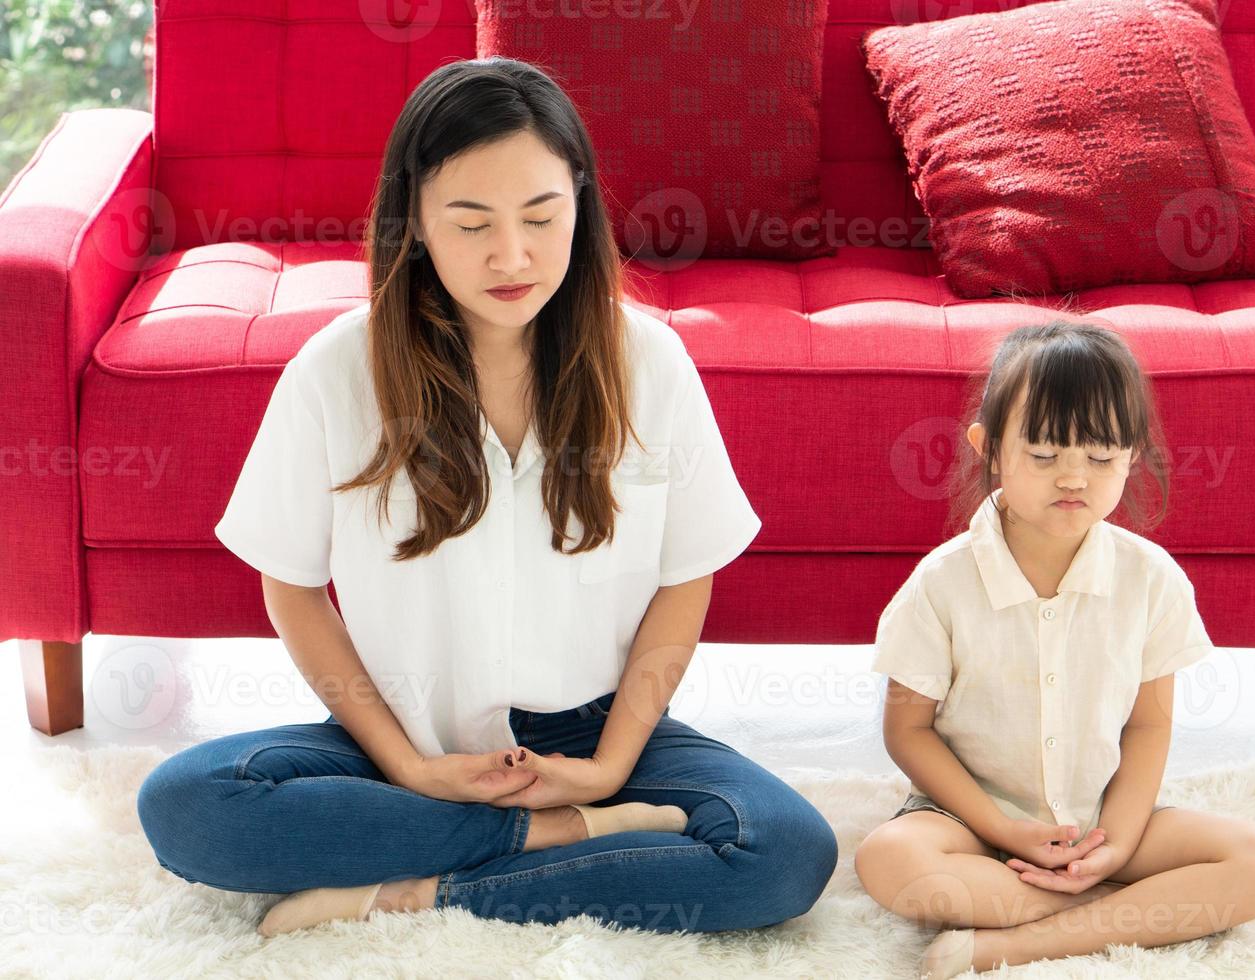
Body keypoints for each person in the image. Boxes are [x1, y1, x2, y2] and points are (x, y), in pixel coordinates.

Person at [135, 57, 837, 939]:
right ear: (417, 224)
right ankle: (570, 843)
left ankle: (421, 887)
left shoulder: (649, 363)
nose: (514, 257)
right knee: (187, 804)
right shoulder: (336, 371)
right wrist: (408, 768)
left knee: (783, 851)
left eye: (542, 216)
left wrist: (611, 764)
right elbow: (293, 586)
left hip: (593, 736)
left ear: (580, 202)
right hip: (405, 735)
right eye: (471, 225)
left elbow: (684, 577)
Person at [853, 321, 1255, 977]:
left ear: (1131, 456)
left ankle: (1027, 942)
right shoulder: (942, 582)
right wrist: (1004, 830)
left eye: (1100, 458)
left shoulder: (1151, 579)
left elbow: (1149, 725)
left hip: (1100, 819)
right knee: (889, 860)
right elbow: (908, 730)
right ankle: (1132, 911)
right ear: (992, 450)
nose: (1073, 477)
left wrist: (1116, 845)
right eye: (1043, 455)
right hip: (969, 824)